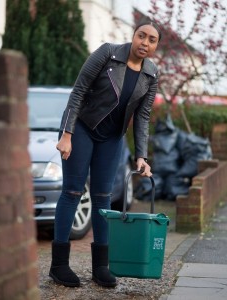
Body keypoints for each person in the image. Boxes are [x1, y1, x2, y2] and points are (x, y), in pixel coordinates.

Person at [49, 20, 162, 288]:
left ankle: (101, 267)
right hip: (82, 129)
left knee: (103, 197)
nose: (144, 43)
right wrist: (67, 134)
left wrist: (141, 157)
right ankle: (59, 266)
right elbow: (78, 91)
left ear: (156, 45)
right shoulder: (108, 53)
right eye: (141, 36)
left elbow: (143, 116)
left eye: (152, 40)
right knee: (73, 192)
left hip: (111, 139)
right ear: (133, 36)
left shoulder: (152, 73)